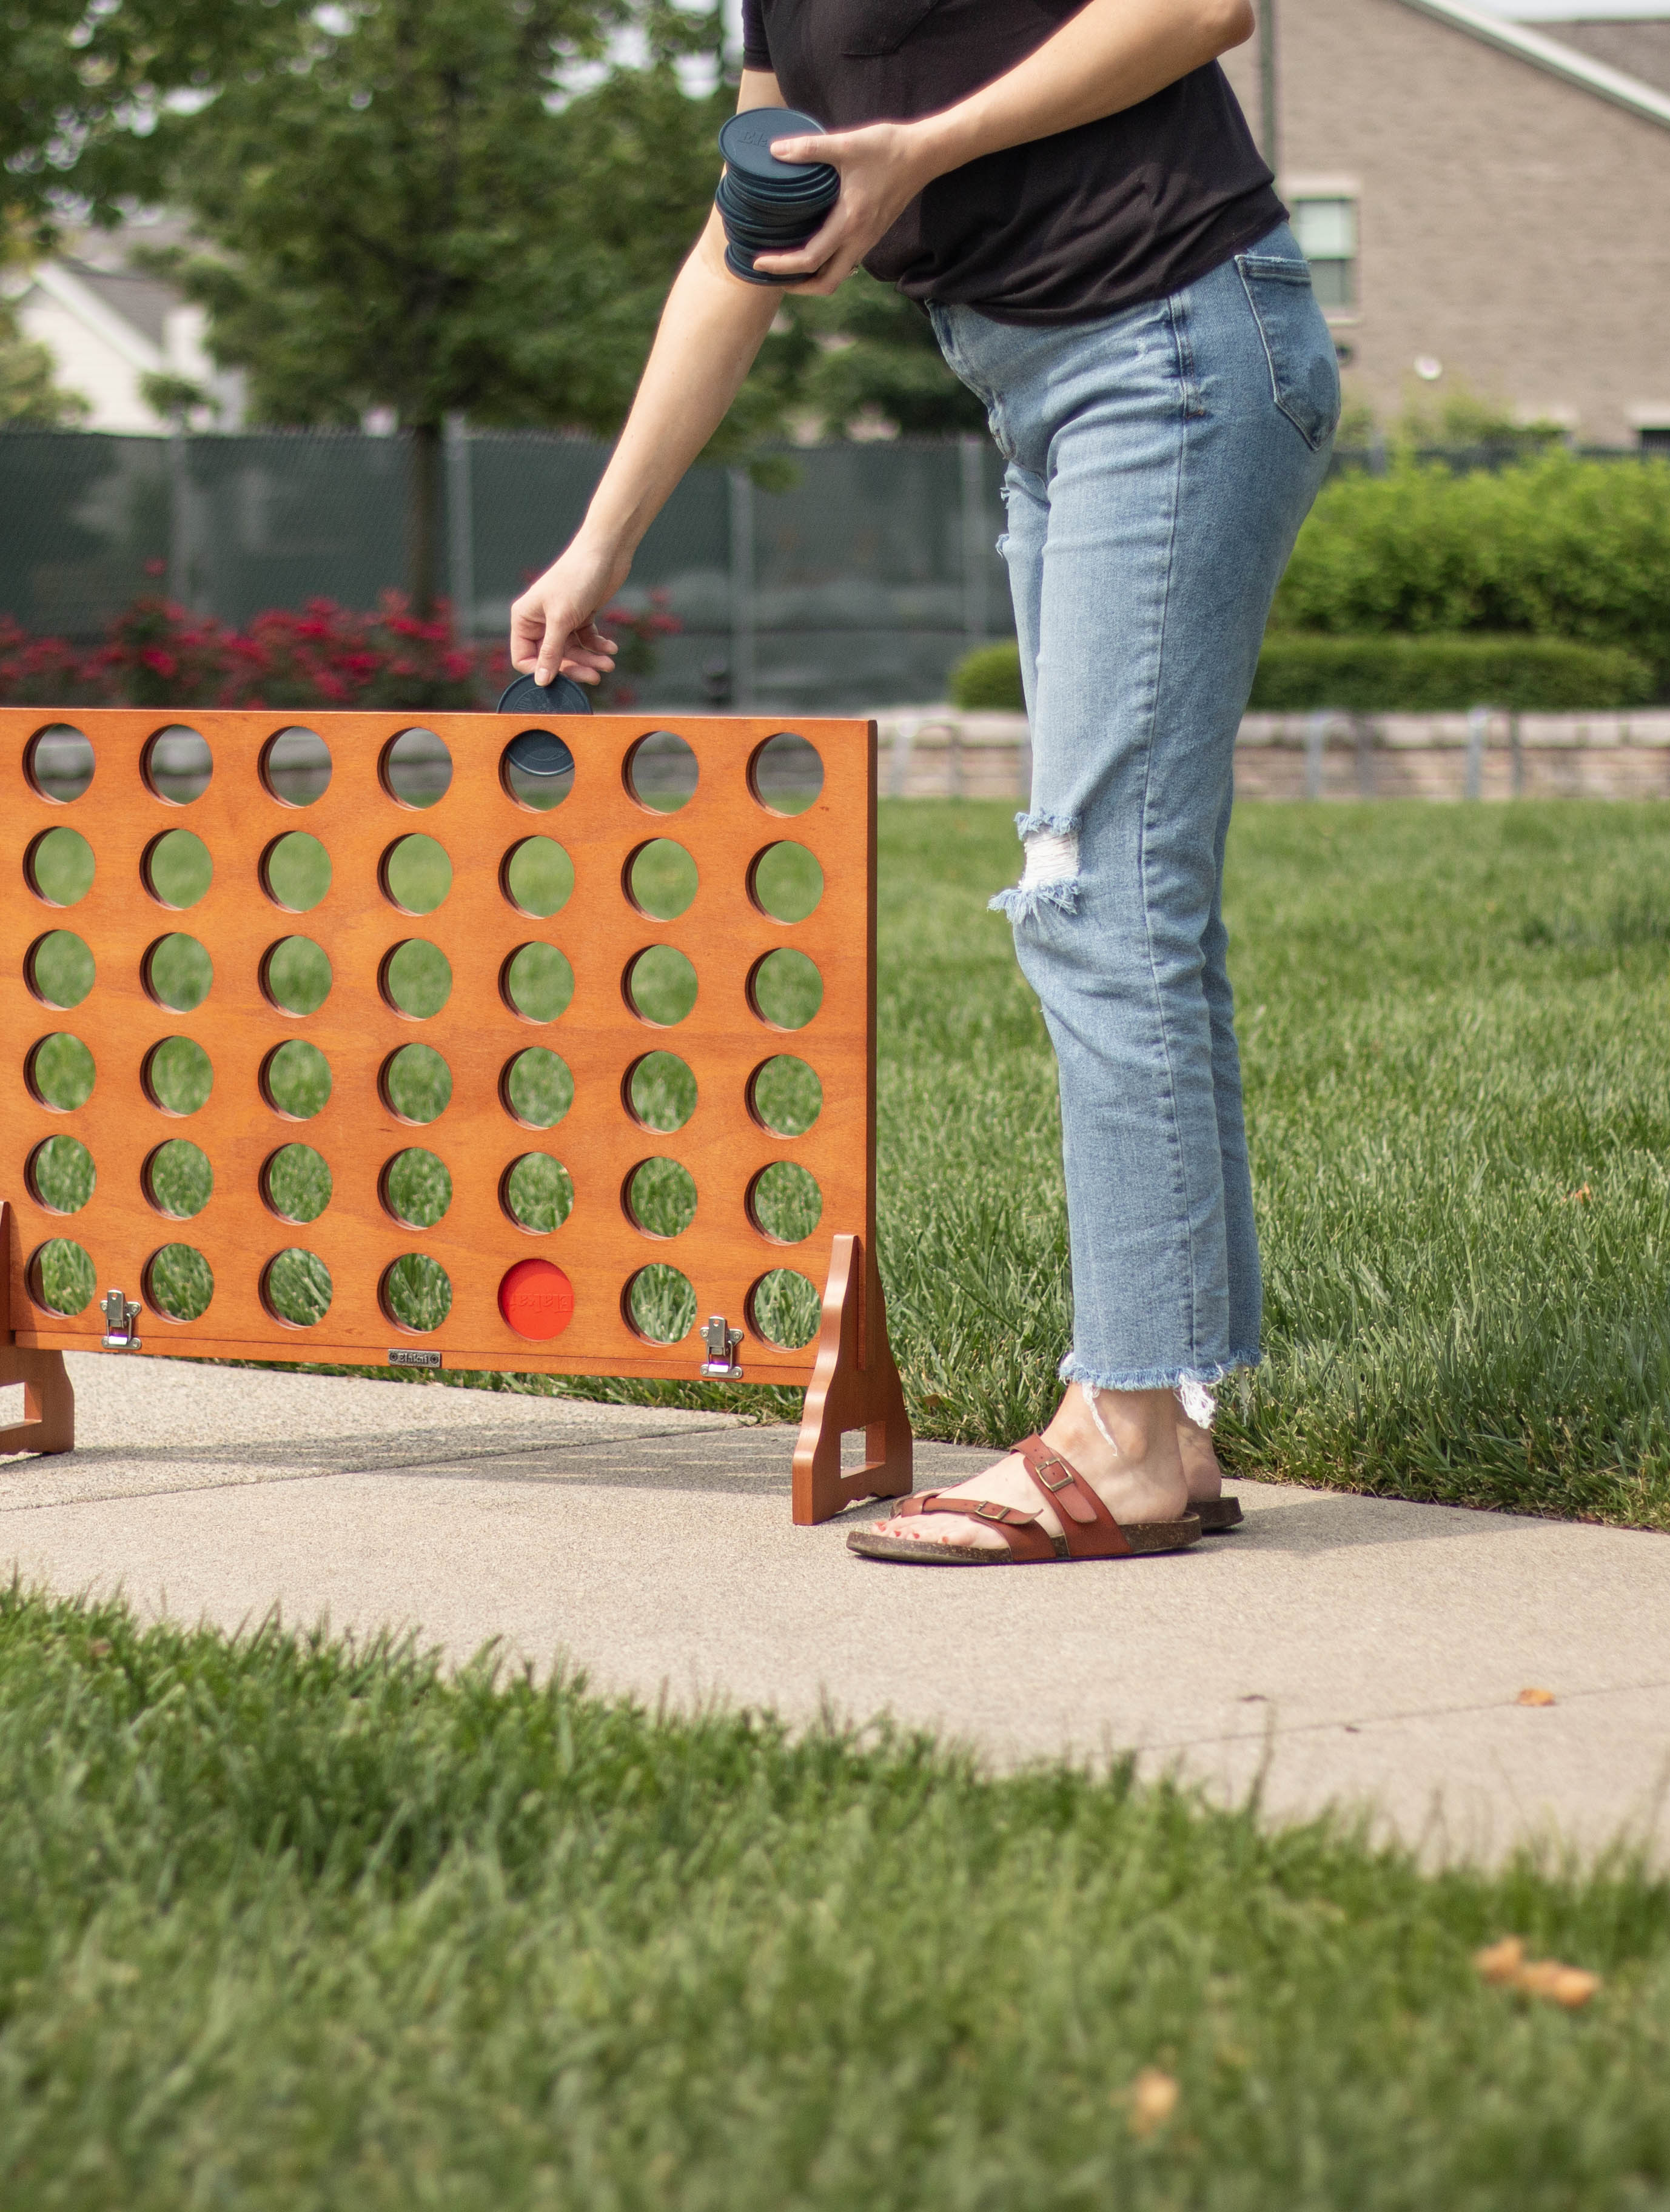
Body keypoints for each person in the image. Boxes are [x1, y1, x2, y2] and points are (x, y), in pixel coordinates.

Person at [509, 0, 1337, 1564]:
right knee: (1131, 898)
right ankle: (1174, 1417)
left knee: (1095, 900)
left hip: (1167, 341)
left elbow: (1204, 7)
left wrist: (933, 150)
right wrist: (603, 540)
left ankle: (1132, 1431)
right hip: (1059, 390)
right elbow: (742, 231)